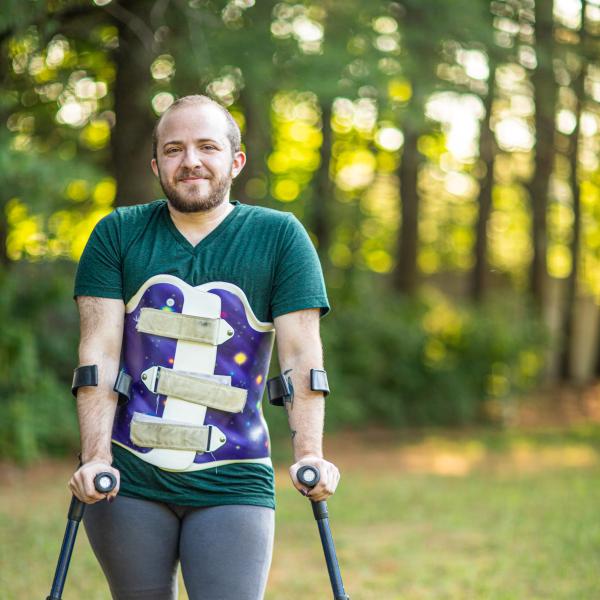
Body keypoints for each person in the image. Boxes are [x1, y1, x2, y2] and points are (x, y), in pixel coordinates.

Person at [68, 94, 340, 600]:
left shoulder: (279, 238)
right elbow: (98, 355)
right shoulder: (117, 234)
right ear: (156, 164)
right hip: (129, 475)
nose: (190, 160)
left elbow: (302, 358)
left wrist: (310, 453)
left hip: (234, 476)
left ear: (235, 161)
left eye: (207, 147)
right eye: (174, 149)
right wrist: (95, 457)